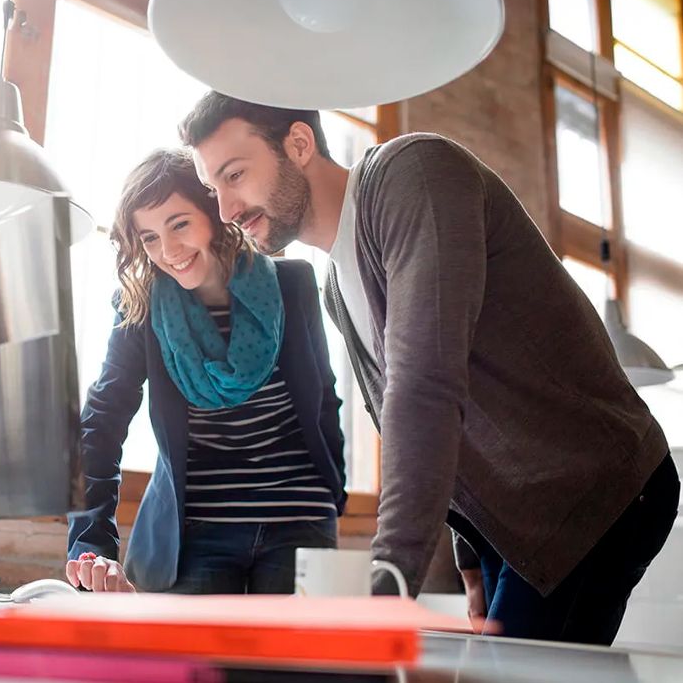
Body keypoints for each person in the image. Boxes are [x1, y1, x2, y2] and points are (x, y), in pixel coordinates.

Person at [179, 91, 679, 644]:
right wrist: (472, 549)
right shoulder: (337, 288)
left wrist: (390, 578)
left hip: (592, 488)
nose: (225, 210)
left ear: (298, 144)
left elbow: (426, 384)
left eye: (235, 175)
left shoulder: (414, 173)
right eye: (213, 189)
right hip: (514, 523)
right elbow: (448, 411)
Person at [66, 148, 346, 595]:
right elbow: (100, 424)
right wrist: (91, 544)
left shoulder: (292, 285)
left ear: (215, 212)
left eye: (179, 224)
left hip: (300, 519)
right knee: (185, 646)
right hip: (194, 534)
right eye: (150, 237)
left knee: (298, 646)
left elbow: (323, 396)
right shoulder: (140, 309)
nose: (168, 251)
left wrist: (335, 490)